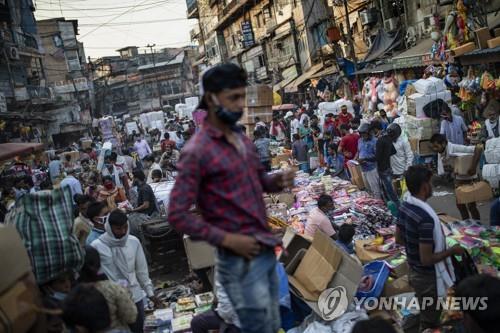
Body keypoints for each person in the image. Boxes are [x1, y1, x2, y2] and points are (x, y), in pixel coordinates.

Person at [168, 63, 295, 333]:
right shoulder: (197, 151)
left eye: (242, 97)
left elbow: (259, 181)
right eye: (233, 98)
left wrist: (277, 181)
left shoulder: (242, 139)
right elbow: (177, 214)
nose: (240, 105)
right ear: (213, 98)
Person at [396, 165, 464, 332]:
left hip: (414, 270)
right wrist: (452, 251)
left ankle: (407, 328)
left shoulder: (405, 206)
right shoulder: (425, 218)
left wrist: (415, 246)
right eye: (430, 183)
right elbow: (426, 259)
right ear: (425, 186)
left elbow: (398, 239)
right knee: (431, 320)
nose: (432, 186)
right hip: (427, 277)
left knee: (424, 307)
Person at [91, 209, 160, 333]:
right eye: (118, 228)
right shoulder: (96, 246)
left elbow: (141, 271)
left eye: (125, 227)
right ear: (109, 227)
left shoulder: (133, 242)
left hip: (135, 296)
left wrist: (150, 293)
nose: (123, 232)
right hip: (111, 302)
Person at [76, 246, 139, 332]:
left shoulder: (71, 294)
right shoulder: (111, 288)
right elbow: (130, 317)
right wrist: (126, 294)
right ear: (98, 263)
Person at [430, 133, 483, 220]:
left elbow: (478, 148)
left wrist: (473, 167)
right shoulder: (441, 152)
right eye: (433, 147)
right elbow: (443, 171)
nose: (434, 149)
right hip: (458, 179)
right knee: (460, 205)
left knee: (471, 205)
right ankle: (466, 224)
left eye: (436, 146)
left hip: (469, 178)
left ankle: (478, 225)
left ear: (443, 143)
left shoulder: (455, 147)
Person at [376, 123, 400, 206]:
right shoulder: (389, 140)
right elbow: (394, 151)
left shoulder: (381, 140)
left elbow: (377, 157)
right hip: (388, 168)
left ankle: (396, 208)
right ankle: (397, 205)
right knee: (391, 191)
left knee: (388, 191)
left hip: (382, 169)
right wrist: (386, 155)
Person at [356, 123, 381, 199]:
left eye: (364, 133)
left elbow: (377, 156)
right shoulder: (360, 140)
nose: (363, 135)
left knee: (375, 190)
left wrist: (365, 159)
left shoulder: (375, 141)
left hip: (372, 169)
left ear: (369, 132)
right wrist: (356, 159)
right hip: (363, 168)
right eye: (361, 134)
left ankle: (379, 206)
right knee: (368, 190)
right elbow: (359, 151)